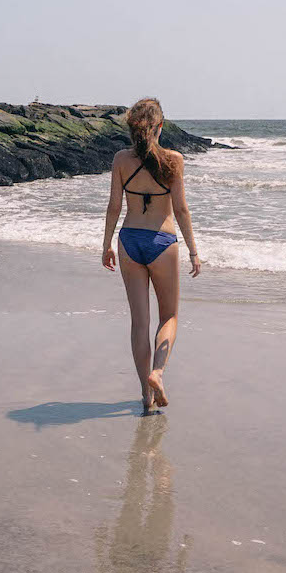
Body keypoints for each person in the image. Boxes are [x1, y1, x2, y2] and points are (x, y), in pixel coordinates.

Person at [102, 98, 200, 414]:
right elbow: (182, 210)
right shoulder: (174, 160)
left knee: (139, 322)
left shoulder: (120, 160)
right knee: (168, 316)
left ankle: (146, 394)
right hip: (162, 241)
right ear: (159, 127)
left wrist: (106, 245)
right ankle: (157, 372)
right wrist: (194, 251)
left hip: (129, 241)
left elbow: (114, 206)